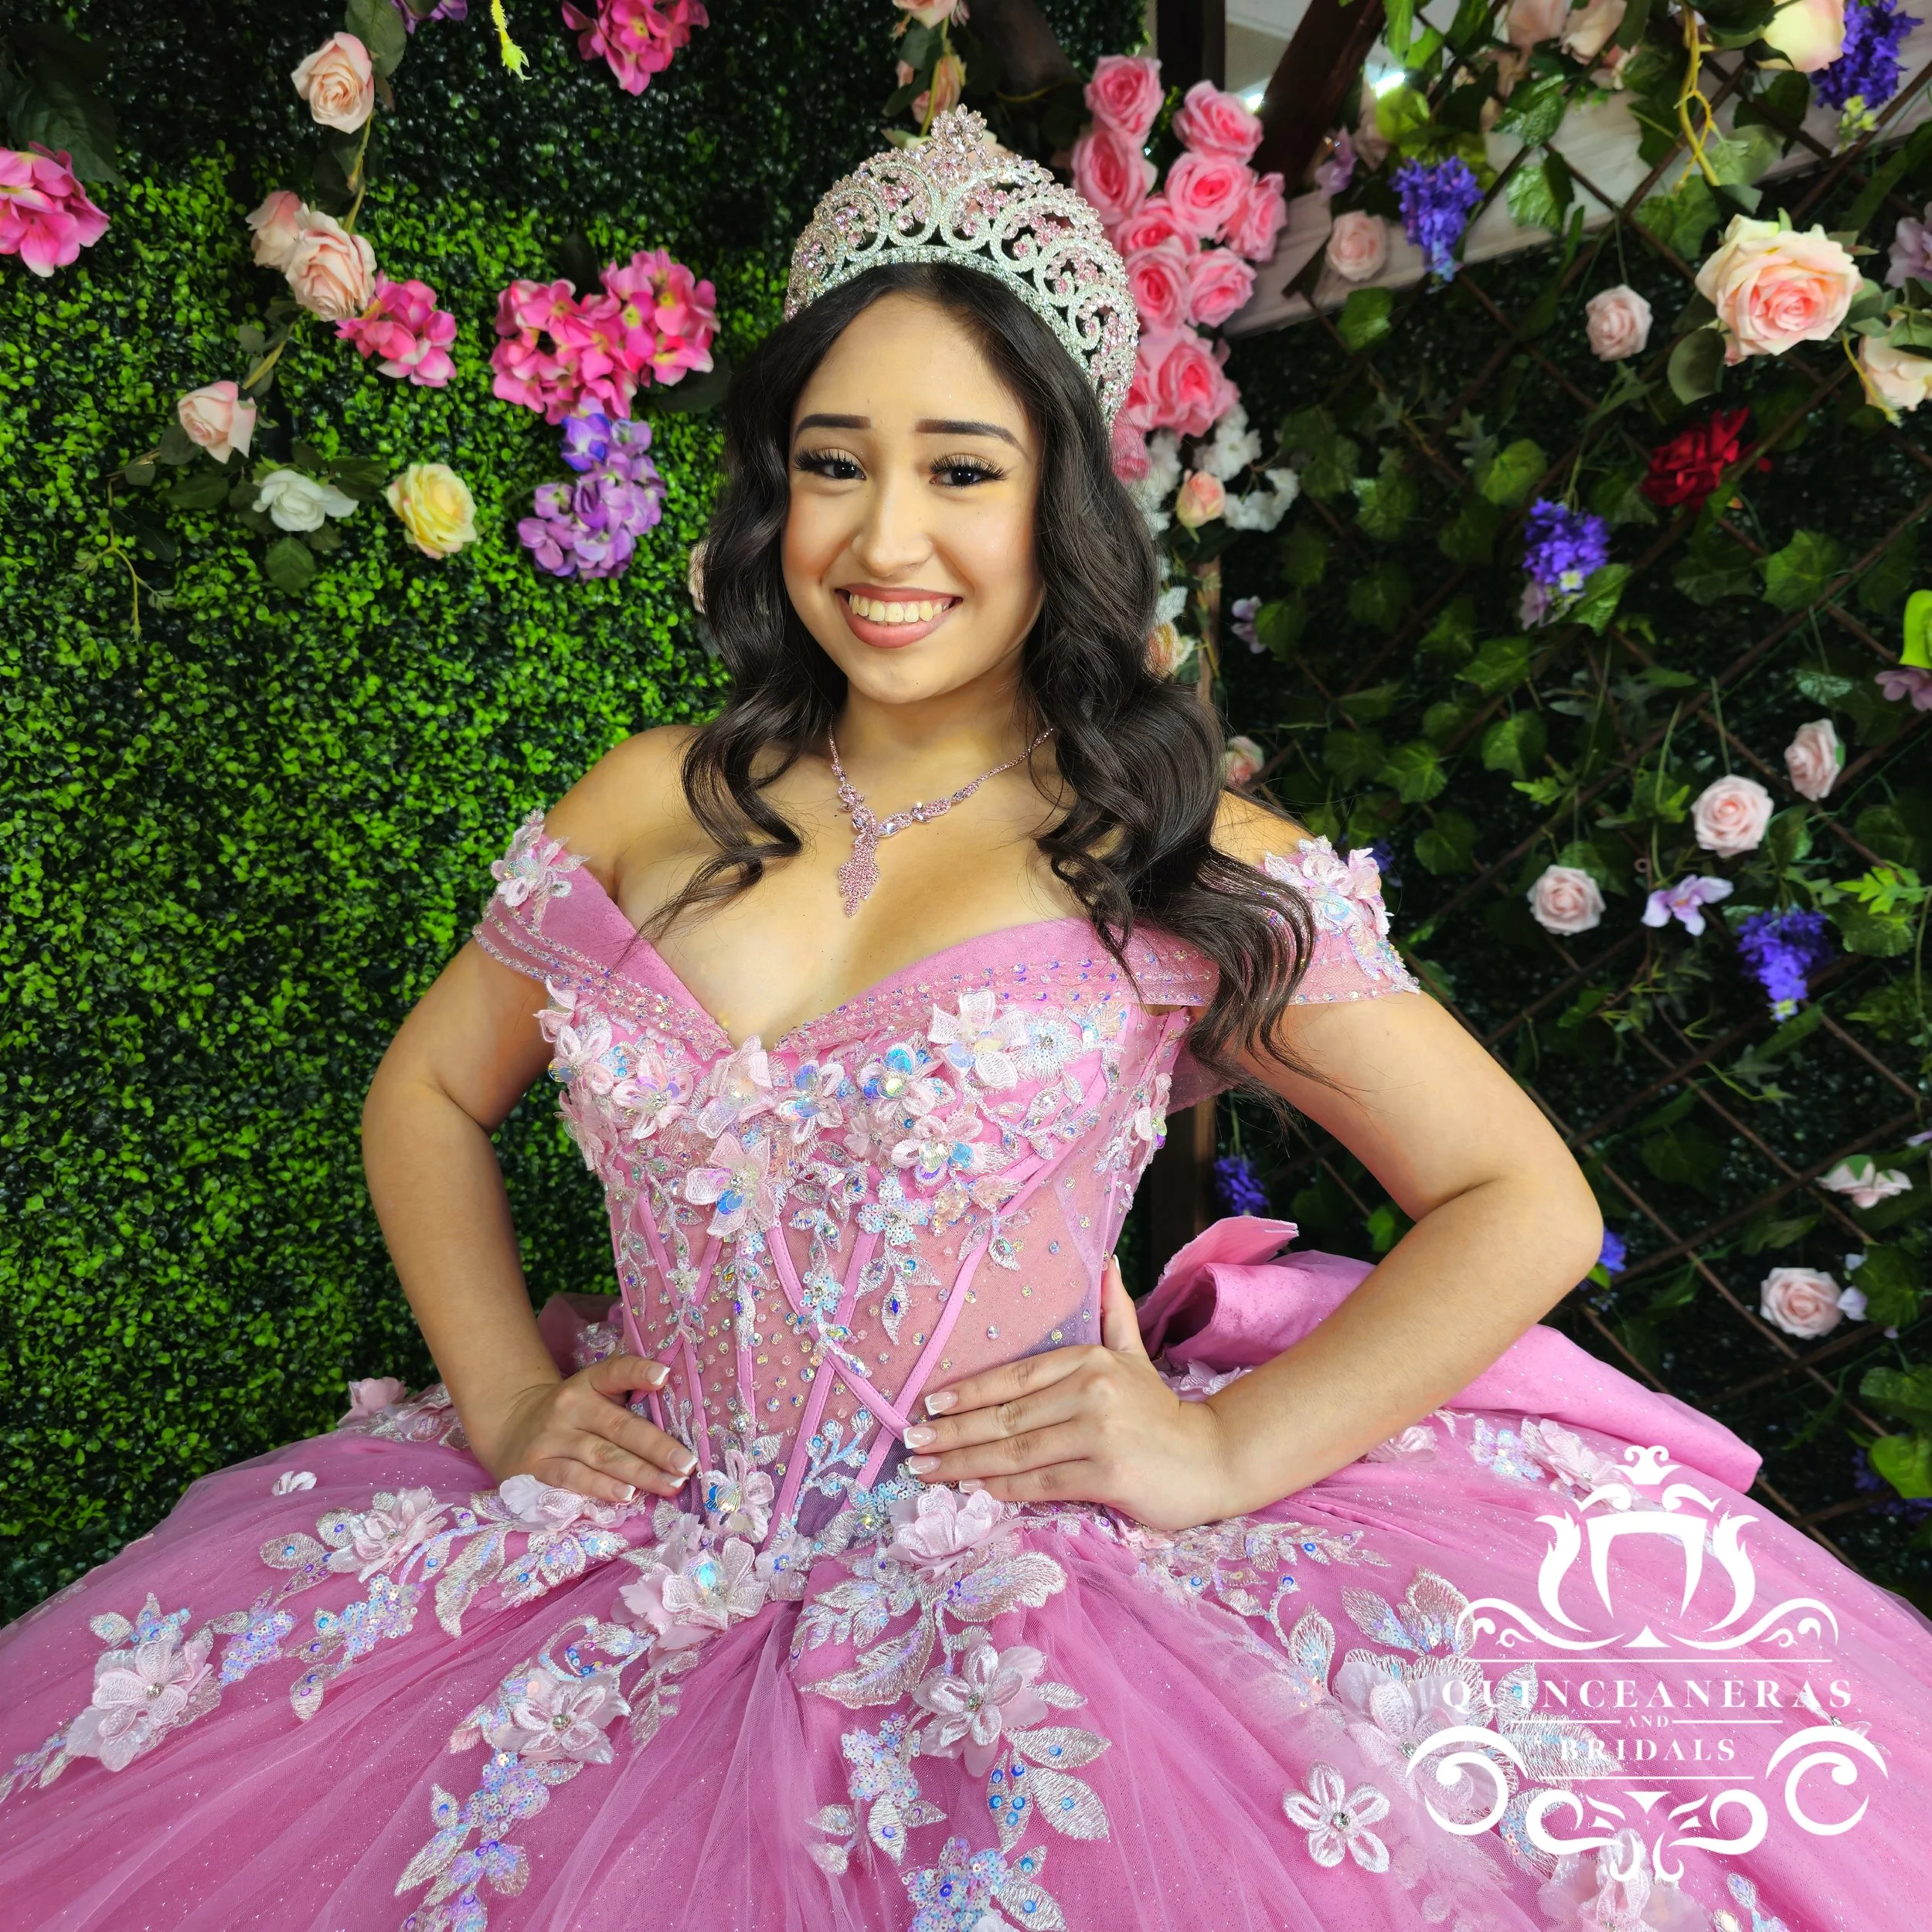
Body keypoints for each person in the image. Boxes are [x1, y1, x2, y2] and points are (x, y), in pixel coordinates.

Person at [2, 109, 1924, 1932]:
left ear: (1060, 492)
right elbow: (429, 1087)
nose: (881, 538)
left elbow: (1520, 1194)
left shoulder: (1162, 846)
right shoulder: (644, 797)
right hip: (623, 1549)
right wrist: (506, 1397)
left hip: (1017, 1590)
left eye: (961, 468)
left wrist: (1226, 1452)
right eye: (834, 462)